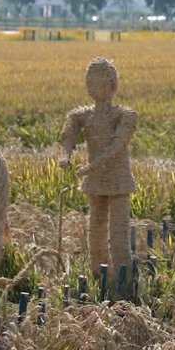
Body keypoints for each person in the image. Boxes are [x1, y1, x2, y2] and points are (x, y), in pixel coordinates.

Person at [59, 57, 138, 291]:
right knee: (95, 234)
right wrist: (65, 155)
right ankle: (99, 280)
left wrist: (91, 167)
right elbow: (69, 133)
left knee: (119, 237)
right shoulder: (82, 115)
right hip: (94, 181)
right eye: (89, 81)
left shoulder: (125, 115)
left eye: (98, 82)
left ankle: (124, 285)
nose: (92, 86)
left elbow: (117, 146)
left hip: (118, 180)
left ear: (112, 86)